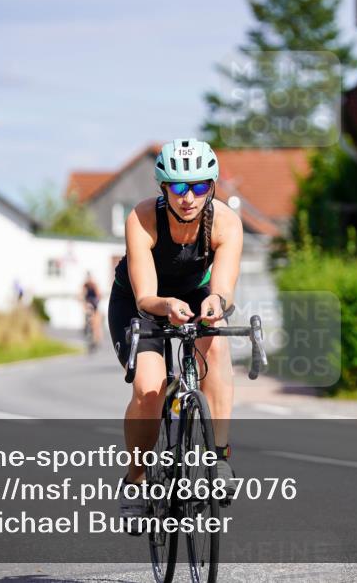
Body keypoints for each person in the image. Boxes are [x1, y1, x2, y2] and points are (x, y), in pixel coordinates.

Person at [107, 138, 243, 521]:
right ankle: (135, 478)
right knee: (149, 391)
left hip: (196, 297)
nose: (189, 197)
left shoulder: (226, 223)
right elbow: (146, 296)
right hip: (142, 303)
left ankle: (218, 455)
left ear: (212, 187)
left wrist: (215, 304)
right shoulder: (143, 218)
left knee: (216, 347)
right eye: (179, 187)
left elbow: (224, 286)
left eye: (199, 186)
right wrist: (167, 306)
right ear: (164, 188)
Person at [81, 272, 102, 348]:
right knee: (87, 315)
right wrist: (83, 303)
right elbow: (81, 295)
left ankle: (96, 338)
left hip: (95, 304)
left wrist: (96, 302)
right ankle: (87, 329)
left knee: (96, 323)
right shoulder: (85, 285)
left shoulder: (94, 285)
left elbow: (99, 295)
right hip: (88, 304)